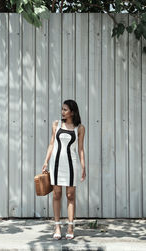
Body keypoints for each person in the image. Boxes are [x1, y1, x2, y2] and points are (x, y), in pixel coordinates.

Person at [42, 99, 86, 240]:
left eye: (65, 109)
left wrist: (83, 166)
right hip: (56, 164)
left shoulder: (80, 128)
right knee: (56, 194)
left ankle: (71, 226)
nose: (62, 112)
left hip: (71, 164)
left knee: (70, 195)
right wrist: (46, 161)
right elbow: (51, 144)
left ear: (72, 112)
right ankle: (56, 226)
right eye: (62, 109)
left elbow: (80, 149)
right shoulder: (56, 124)